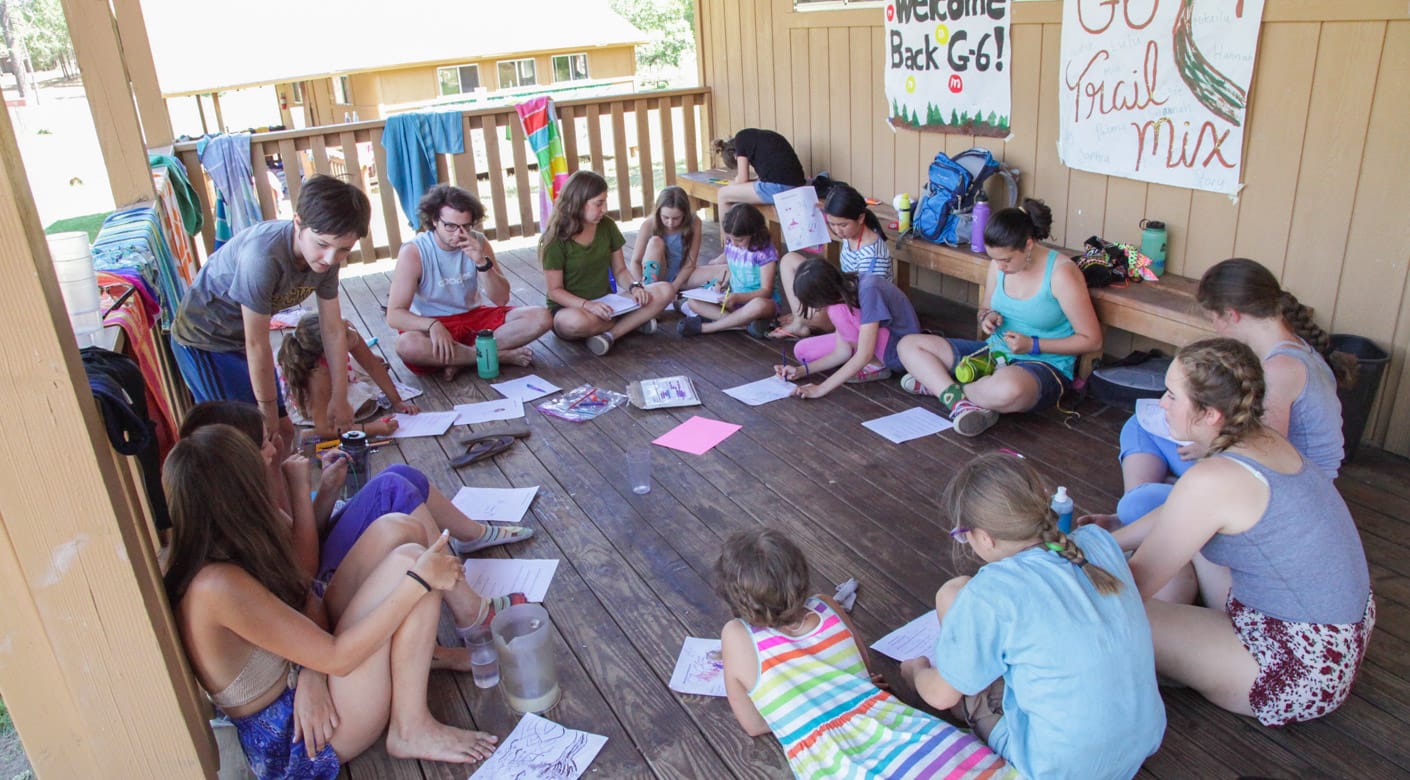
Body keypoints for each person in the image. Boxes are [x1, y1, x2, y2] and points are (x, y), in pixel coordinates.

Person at [164, 425, 499, 777]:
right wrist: (418, 583)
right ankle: (410, 726)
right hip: (300, 737)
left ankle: (416, 655)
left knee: (399, 528)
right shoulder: (217, 586)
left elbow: (306, 597)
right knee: (413, 568)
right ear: (238, 495)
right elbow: (337, 658)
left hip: (305, 672)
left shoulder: (224, 545)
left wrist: (311, 672)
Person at [1113, 339, 1373, 726]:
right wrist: (1111, 539)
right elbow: (1185, 510)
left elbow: (1133, 585)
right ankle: (1179, 644)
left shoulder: (1214, 478)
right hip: (1332, 643)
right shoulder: (1265, 442)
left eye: (1171, 395)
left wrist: (1066, 561)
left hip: (1293, 669)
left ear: (1211, 414)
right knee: (1179, 549)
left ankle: (1169, 654)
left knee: (1110, 615)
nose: (1162, 403)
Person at [178, 401, 532, 666]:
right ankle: (469, 611)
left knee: (402, 475)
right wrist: (300, 491)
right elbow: (302, 570)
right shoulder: (244, 509)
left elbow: (305, 534)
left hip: (315, 584)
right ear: (240, 461)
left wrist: (327, 490)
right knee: (395, 491)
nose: (275, 445)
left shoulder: (248, 489)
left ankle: (470, 534)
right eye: (265, 442)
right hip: (318, 604)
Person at [900, 453, 1165, 780]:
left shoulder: (990, 594)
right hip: (1140, 743)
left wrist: (915, 672)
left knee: (951, 597)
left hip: (1055, 768)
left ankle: (967, 680)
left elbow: (940, 696)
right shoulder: (1097, 542)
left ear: (984, 537)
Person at [714, 528, 1017, 780]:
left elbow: (755, 724)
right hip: (914, 736)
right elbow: (863, 666)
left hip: (841, 764)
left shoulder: (736, 636)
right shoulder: (825, 606)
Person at [1107, 257, 1353, 525]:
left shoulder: (1280, 370)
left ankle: (1146, 512)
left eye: (1214, 319)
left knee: (1139, 504)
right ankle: (1151, 508)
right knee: (1141, 423)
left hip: (1289, 494)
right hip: (1271, 472)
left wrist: (1207, 449)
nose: (1215, 328)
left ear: (1231, 315)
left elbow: (1263, 457)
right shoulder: (1292, 347)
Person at [171, 174, 372, 451]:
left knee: (284, 434)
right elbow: (258, 343)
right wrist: (266, 410)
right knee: (249, 442)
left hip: (241, 342)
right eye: (322, 245)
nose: (330, 259)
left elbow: (333, 329)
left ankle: (283, 495)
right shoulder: (262, 258)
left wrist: (340, 396)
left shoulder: (328, 257)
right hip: (206, 340)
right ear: (298, 222)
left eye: (343, 250)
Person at [896, 198, 1101, 437]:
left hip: (1044, 365)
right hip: (994, 354)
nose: (1000, 266)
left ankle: (942, 388)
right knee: (909, 345)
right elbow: (984, 308)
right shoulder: (998, 264)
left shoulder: (1061, 273)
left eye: (1006, 260)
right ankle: (963, 402)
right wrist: (987, 317)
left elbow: (1091, 340)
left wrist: (1033, 345)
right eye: (994, 259)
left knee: (1007, 389)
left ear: (1028, 244)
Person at [386, 184, 552, 380]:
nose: (459, 234)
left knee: (542, 317)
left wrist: (481, 262)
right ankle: (494, 356)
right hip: (433, 324)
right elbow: (394, 315)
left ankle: (461, 359)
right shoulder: (414, 252)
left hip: (474, 318)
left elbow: (501, 299)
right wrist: (432, 325)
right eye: (450, 226)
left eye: (466, 226)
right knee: (406, 345)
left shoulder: (478, 242)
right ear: (433, 221)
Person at [540, 170, 673, 356]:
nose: (604, 209)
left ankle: (610, 335)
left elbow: (620, 271)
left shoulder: (607, 225)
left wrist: (635, 287)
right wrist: (587, 305)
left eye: (605, 201)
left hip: (608, 304)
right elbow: (555, 291)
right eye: (598, 203)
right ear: (578, 203)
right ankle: (632, 322)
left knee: (665, 290)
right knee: (573, 323)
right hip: (572, 310)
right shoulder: (555, 240)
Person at [772, 257, 920, 398]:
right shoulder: (842, 294)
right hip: (873, 340)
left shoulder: (867, 290)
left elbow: (864, 354)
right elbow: (842, 351)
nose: (817, 309)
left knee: (838, 312)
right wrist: (801, 371)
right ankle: (860, 363)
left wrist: (821, 388)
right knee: (802, 351)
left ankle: (877, 366)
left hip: (898, 351)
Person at [773, 183, 893, 339]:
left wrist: (825, 298)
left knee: (815, 311)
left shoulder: (873, 256)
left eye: (842, 225)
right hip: (843, 290)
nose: (837, 230)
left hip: (856, 310)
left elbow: (865, 301)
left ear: (861, 218)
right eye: (832, 224)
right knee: (789, 260)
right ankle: (800, 320)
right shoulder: (852, 233)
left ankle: (803, 319)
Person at [278, 312, 416, 441]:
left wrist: (397, 401)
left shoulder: (345, 332)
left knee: (378, 362)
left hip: (336, 375)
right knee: (363, 406)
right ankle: (309, 433)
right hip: (315, 398)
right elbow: (325, 429)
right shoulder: (318, 375)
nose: (351, 336)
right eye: (345, 341)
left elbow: (372, 365)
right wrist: (371, 429)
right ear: (327, 352)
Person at [675, 204, 780, 337]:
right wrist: (723, 285)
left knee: (760, 305)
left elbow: (766, 291)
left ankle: (709, 327)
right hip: (733, 302)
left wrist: (738, 297)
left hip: (758, 304)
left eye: (739, 240)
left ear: (754, 233)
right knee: (693, 301)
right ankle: (741, 325)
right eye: (730, 239)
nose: (734, 244)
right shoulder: (732, 245)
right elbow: (735, 273)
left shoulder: (765, 252)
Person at [712, 129, 807, 239]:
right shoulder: (757, 137)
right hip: (795, 183)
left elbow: (742, 179)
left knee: (723, 194)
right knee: (735, 191)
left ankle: (728, 245)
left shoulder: (741, 139)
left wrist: (733, 183)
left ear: (735, 156)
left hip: (781, 187)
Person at [628, 186, 702, 293]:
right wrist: (641, 287)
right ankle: (651, 289)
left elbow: (690, 263)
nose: (670, 223)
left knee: (723, 272)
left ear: (685, 214)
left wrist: (674, 287)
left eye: (676, 218)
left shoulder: (695, 222)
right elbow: (635, 262)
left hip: (683, 277)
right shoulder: (648, 225)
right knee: (655, 241)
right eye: (665, 217)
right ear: (658, 213)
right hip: (657, 276)